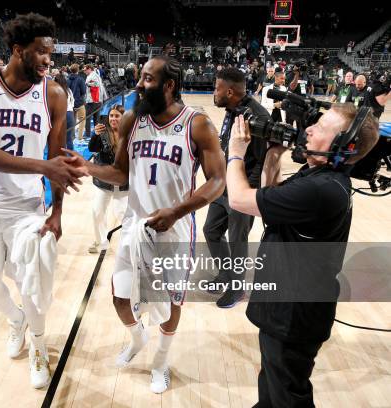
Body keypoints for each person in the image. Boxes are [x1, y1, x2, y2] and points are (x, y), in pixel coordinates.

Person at [65, 56, 226, 393]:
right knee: (120, 299)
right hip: (135, 224)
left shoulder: (198, 125)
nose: (139, 85)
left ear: (169, 85)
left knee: (170, 302)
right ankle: (137, 338)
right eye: (140, 77)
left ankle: (160, 362)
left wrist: (178, 211)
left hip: (176, 229)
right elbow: (121, 173)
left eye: (148, 80)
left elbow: (217, 181)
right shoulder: (132, 122)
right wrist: (89, 167)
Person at [0, 13, 86, 389]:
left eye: (51, 55)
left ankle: (39, 346)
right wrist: (43, 165)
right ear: (18, 50)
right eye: (42, 54)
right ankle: (15, 320)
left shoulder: (54, 95)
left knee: (33, 284)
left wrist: (58, 210)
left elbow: (60, 159)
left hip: (27, 209)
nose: (50, 62)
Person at [226, 103, 379, 408]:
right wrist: (272, 154)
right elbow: (271, 205)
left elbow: (240, 199)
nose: (308, 129)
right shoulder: (318, 178)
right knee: (273, 384)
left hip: (294, 315)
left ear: (341, 146)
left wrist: (235, 151)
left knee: (288, 395)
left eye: (321, 127)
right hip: (288, 306)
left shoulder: (321, 190)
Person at [205, 67, 269, 308]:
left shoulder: (258, 116)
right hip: (223, 184)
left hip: (243, 190)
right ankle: (226, 273)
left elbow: (262, 161)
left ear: (229, 91)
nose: (214, 92)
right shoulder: (232, 110)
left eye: (217, 88)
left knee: (237, 239)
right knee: (211, 230)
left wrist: (247, 195)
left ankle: (237, 288)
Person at [86, 104, 128, 254]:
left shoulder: (129, 134)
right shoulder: (102, 131)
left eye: (117, 116)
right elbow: (92, 148)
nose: (113, 118)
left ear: (123, 118)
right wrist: (95, 134)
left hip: (123, 183)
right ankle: (101, 242)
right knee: (97, 211)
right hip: (104, 181)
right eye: (111, 116)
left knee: (122, 213)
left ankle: (129, 243)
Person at [54, 73, 75, 150]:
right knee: (69, 138)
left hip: (61, 115)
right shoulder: (68, 90)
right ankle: (70, 157)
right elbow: (73, 102)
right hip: (70, 114)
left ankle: (61, 157)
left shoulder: (56, 91)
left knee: (59, 138)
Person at [67, 63, 86, 141]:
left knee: (73, 121)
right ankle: (80, 137)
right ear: (78, 70)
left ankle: (72, 136)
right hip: (79, 102)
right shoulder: (80, 79)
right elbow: (83, 91)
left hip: (70, 104)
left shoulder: (67, 79)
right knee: (82, 119)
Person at [84, 64, 102, 138]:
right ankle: (97, 133)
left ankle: (88, 134)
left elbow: (96, 84)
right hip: (95, 99)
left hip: (93, 100)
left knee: (88, 117)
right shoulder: (93, 75)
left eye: (85, 70)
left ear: (89, 69)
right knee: (96, 117)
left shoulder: (93, 75)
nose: (84, 71)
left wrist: (88, 84)